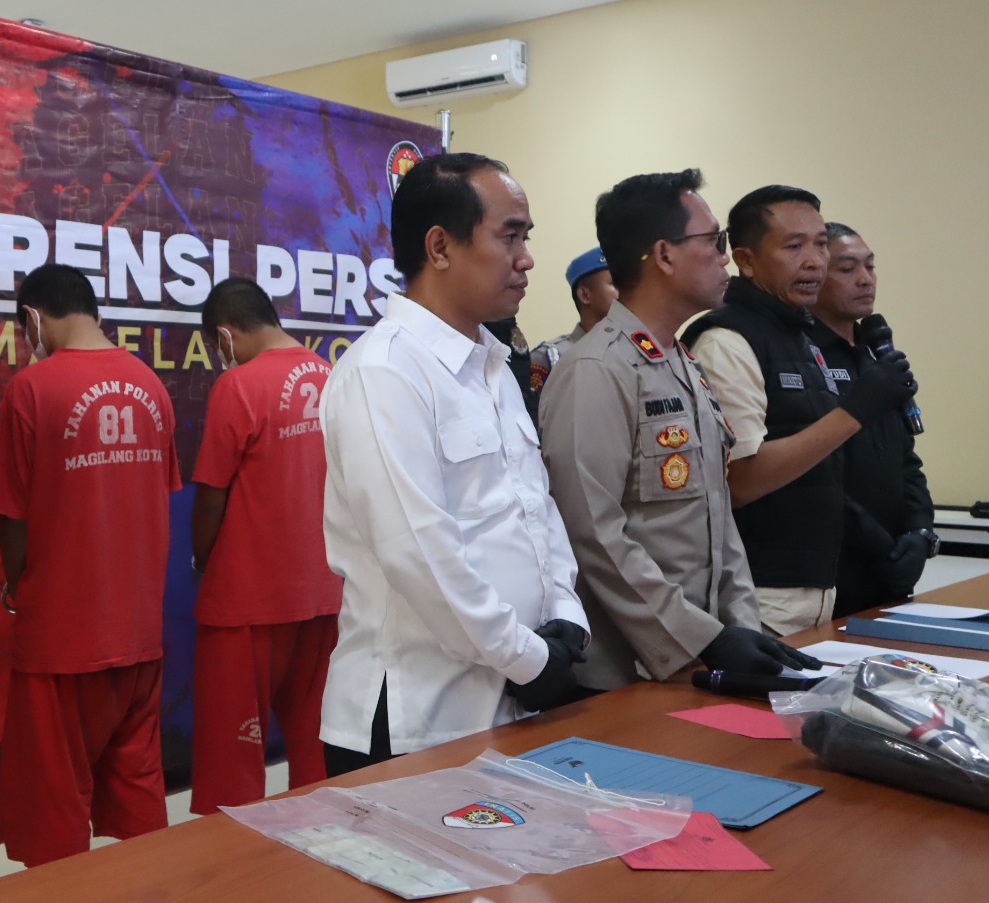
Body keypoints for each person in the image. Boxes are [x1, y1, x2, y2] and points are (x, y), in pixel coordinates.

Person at [317, 153, 590, 776]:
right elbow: (419, 554)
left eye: (526, 238)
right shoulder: (385, 371)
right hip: (420, 718)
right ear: (439, 247)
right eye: (509, 236)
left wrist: (565, 618)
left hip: (518, 697)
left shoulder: (492, 365)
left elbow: (535, 508)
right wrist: (529, 658)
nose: (526, 259)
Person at [540, 170, 822, 689]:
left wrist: (740, 627)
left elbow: (718, 512)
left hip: (705, 660)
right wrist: (701, 638)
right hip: (629, 674)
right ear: (665, 255)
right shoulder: (597, 369)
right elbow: (593, 532)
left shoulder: (683, 362)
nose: (725, 258)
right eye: (714, 241)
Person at [0, 263, 180, 865]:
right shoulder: (151, 386)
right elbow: (156, 498)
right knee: (139, 808)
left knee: (54, 823)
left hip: (60, 641)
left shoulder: (32, 389)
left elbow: (13, 518)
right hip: (139, 637)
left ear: (33, 319)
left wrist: (16, 587)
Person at [681, 186, 916, 635]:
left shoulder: (800, 336)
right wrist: (856, 410)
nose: (814, 261)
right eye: (794, 246)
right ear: (746, 260)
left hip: (818, 589)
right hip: (757, 595)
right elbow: (741, 479)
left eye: (820, 244)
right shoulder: (727, 340)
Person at [188, 278, 341, 814]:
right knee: (319, 750)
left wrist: (202, 557)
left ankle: (235, 865)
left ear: (225, 335)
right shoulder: (332, 376)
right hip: (326, 593)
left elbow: (211, 494)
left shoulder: (237, 386)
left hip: (247, 601)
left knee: (232, 769)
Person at [809, 223, 936, 616]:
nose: (865, 279)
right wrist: (883, 546)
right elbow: (816, 475)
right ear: (814, 277)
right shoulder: (802, 357)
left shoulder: (876, 353)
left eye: (870, 266)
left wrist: (920, 533)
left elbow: (906, 460)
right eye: (847, 269)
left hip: (894, 570)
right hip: (834, 568)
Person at [530, 246, 616, 392]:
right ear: (585, 295)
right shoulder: (551, 356)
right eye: (615, 284)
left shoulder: (633, 351)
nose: (626, 292)